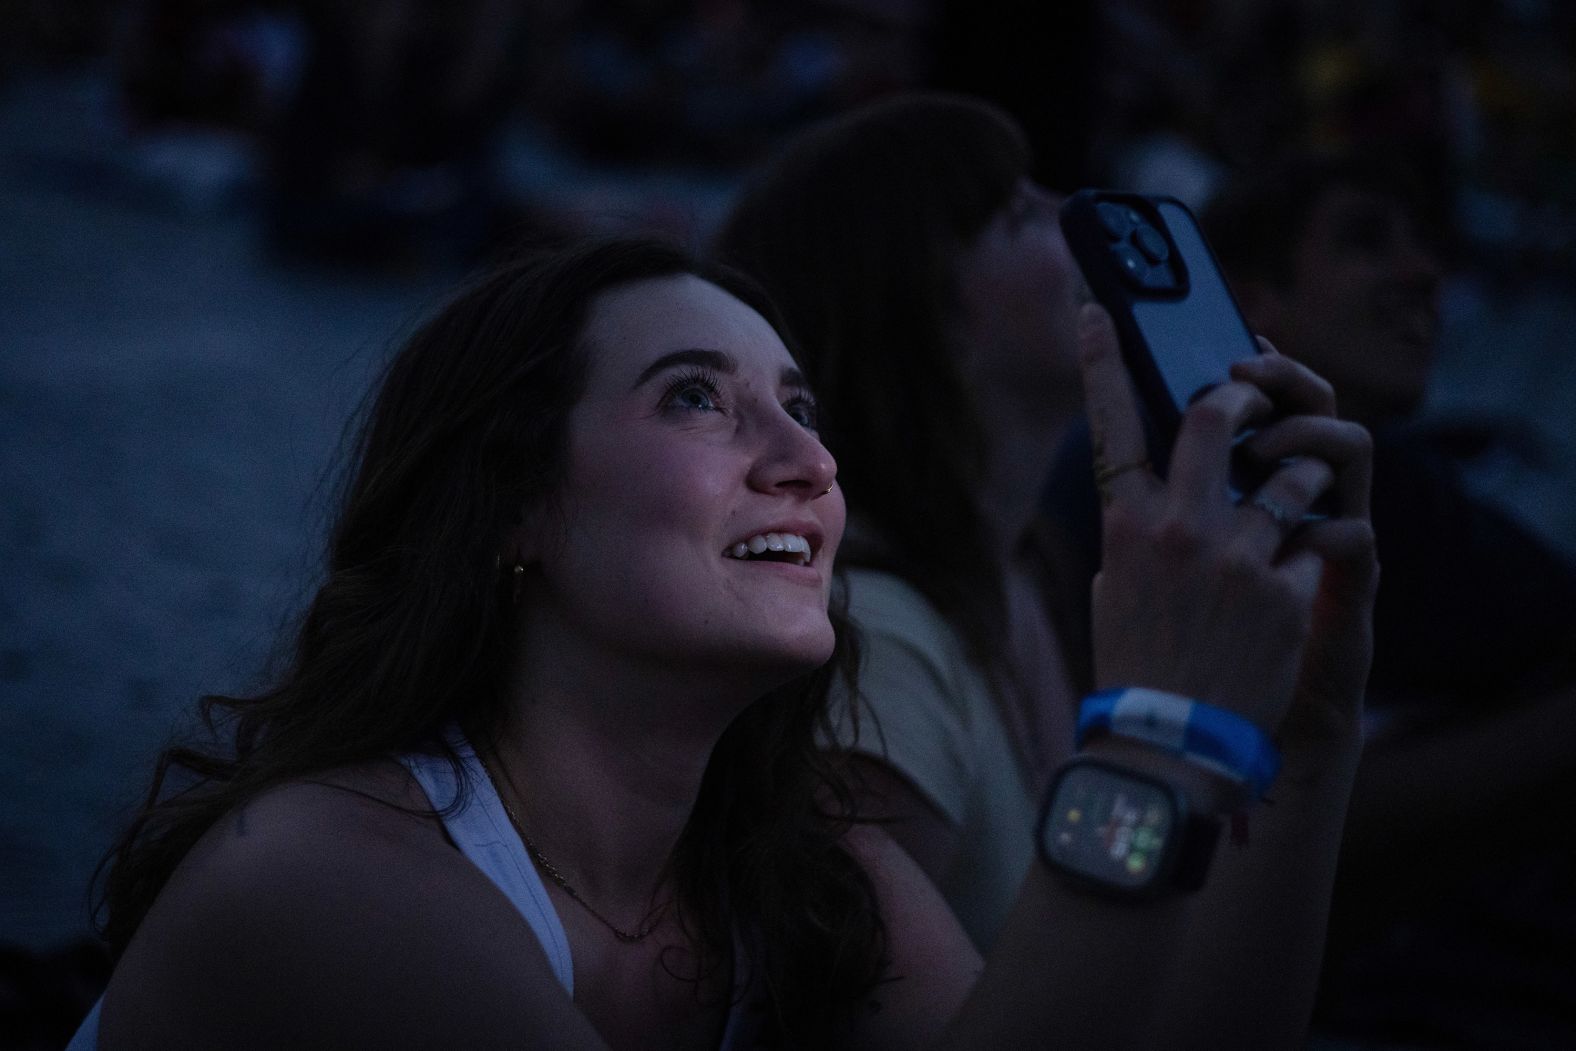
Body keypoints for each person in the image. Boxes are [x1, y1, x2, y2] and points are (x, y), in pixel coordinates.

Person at [70, 235, 1376, 1048]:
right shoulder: (327, 879)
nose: (806, 460)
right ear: (514, 502)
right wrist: (1152, 726)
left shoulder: (799, 876)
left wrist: (1303, 740)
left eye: (802, 408)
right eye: (696, 395)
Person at [714, 91, 1377, 1035]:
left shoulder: (1024, 575)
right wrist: (1168, 725)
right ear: (917, 310)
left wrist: (1309, 743)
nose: (1074, 208)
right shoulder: (874, 656)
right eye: (1020, 213)